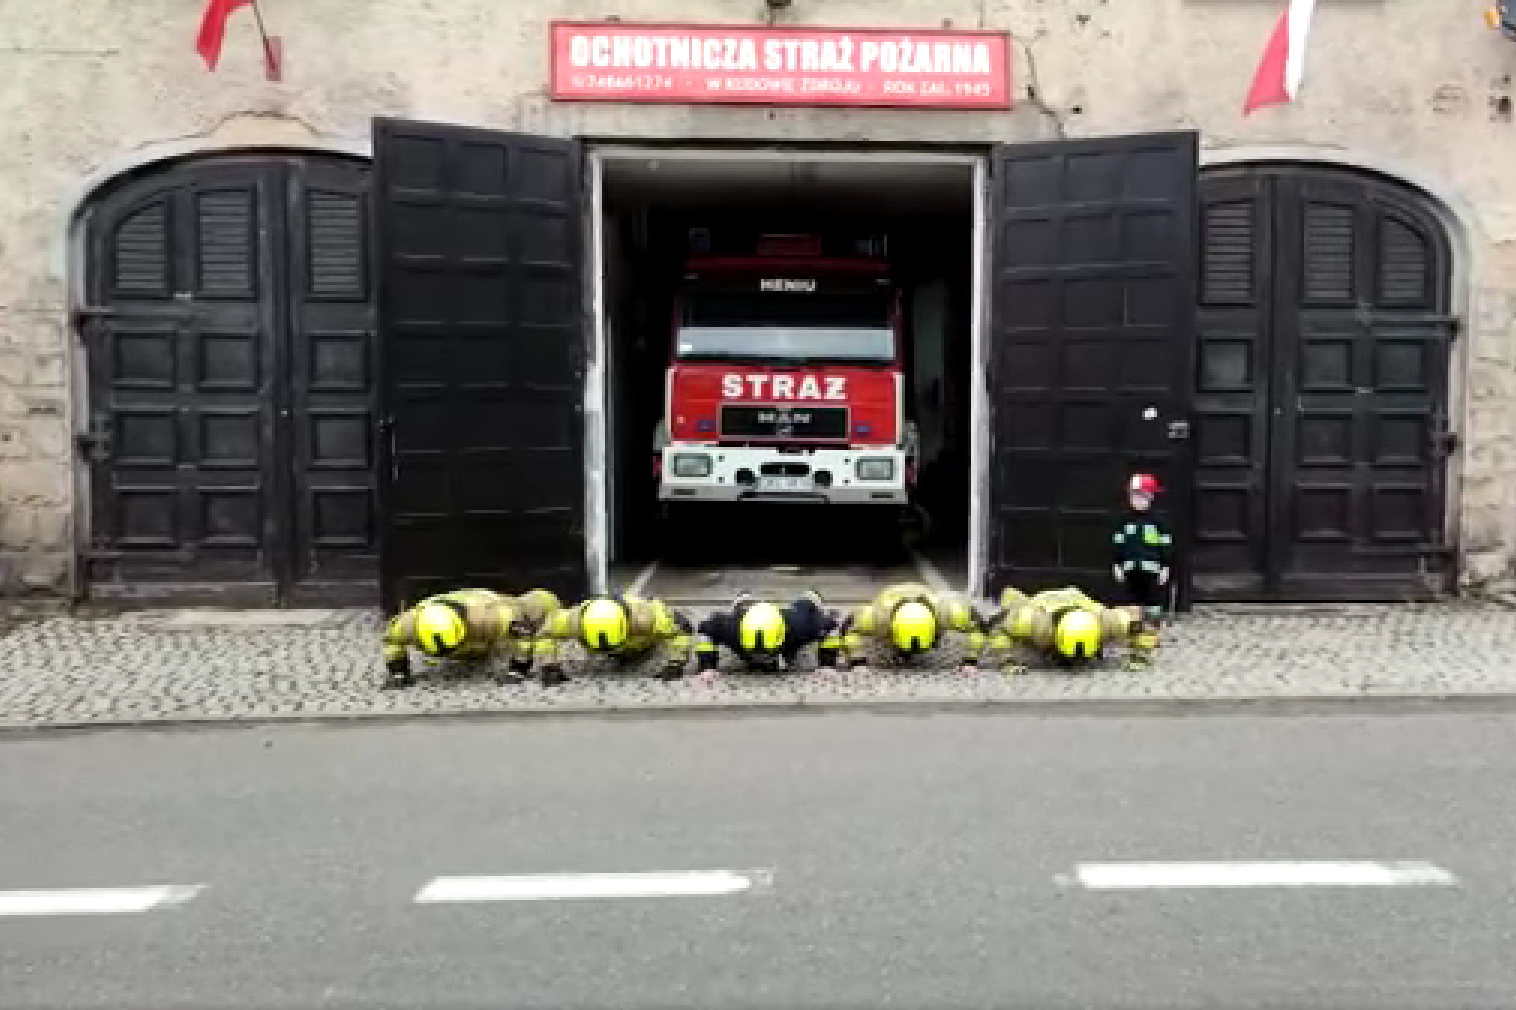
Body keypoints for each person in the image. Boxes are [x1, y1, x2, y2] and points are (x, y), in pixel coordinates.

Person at [381, 588, 563, 689]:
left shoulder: (495, 617)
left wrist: (518, 669)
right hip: (445, 607)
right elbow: (391, 642)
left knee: (540, 602)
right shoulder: (407, 625)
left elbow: (523, 634)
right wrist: (398, 673)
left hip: (484, 601)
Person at [977, 586, 1146, 672]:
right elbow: (1001, 629)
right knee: (1010, 599)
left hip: (1076, 597)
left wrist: (1140, 657)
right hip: (1043, 602)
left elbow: (1142, 625)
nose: (1077, 663)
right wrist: (1006, 660)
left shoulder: (1108, 622)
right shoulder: (1035, 624)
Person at [535, 593, 695, 682]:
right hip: (607, 648)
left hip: (644, 646)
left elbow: (680, 632)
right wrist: (549, 666)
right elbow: (545, 635)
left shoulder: (646, 618)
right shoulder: (573, 620)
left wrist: (676, 663)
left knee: (678, 626)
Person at [834, 582, 985, 672]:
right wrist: (857, 661)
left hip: (923, 592)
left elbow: (978, 625)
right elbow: (848, 628)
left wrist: (970, 660)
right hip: (890, 596)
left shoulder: (948, 613)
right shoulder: (876, 618)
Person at [695, 590, 841, 676]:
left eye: (765, 653)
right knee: (740, 609)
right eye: (755, 652)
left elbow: (831, 626)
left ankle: (809, 597)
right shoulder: (731, 628)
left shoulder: (800, 626)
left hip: (789, 621)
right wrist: (707, 667)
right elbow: (705, 629)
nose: (760, 658)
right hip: (744, 618)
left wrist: (827, 664)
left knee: (806, 605)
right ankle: (744, 601)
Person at [1111, 472, 1174, 666]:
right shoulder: (1124, 521)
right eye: (1133, 496)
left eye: (1141, 497)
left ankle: (1151, 637)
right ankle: (1133, 638)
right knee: (1132, 605)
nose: (1137, 501)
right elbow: (1118, 545)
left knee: (1153, 605)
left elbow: (1166, 546)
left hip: (1152, 573)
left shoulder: (1159, 522)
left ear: (1150, 497)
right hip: (1131, 571)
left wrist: (1165, 567)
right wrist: (1117, 565)